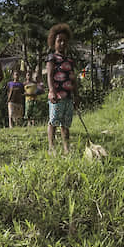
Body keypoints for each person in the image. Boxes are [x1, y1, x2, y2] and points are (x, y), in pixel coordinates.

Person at [45, 24, 78, 154]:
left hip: (68, 96)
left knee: (65, 124)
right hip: (56, 97)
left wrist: (77, 95)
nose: (62, 43)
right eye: (59, 41)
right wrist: (52, 91)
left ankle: (66, 148)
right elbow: (49, 76)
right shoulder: (51, 58)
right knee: (53, 121)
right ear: (54, 42)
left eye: (65, 41)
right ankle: (51, 147)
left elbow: (73, 79)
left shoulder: (70, 61)